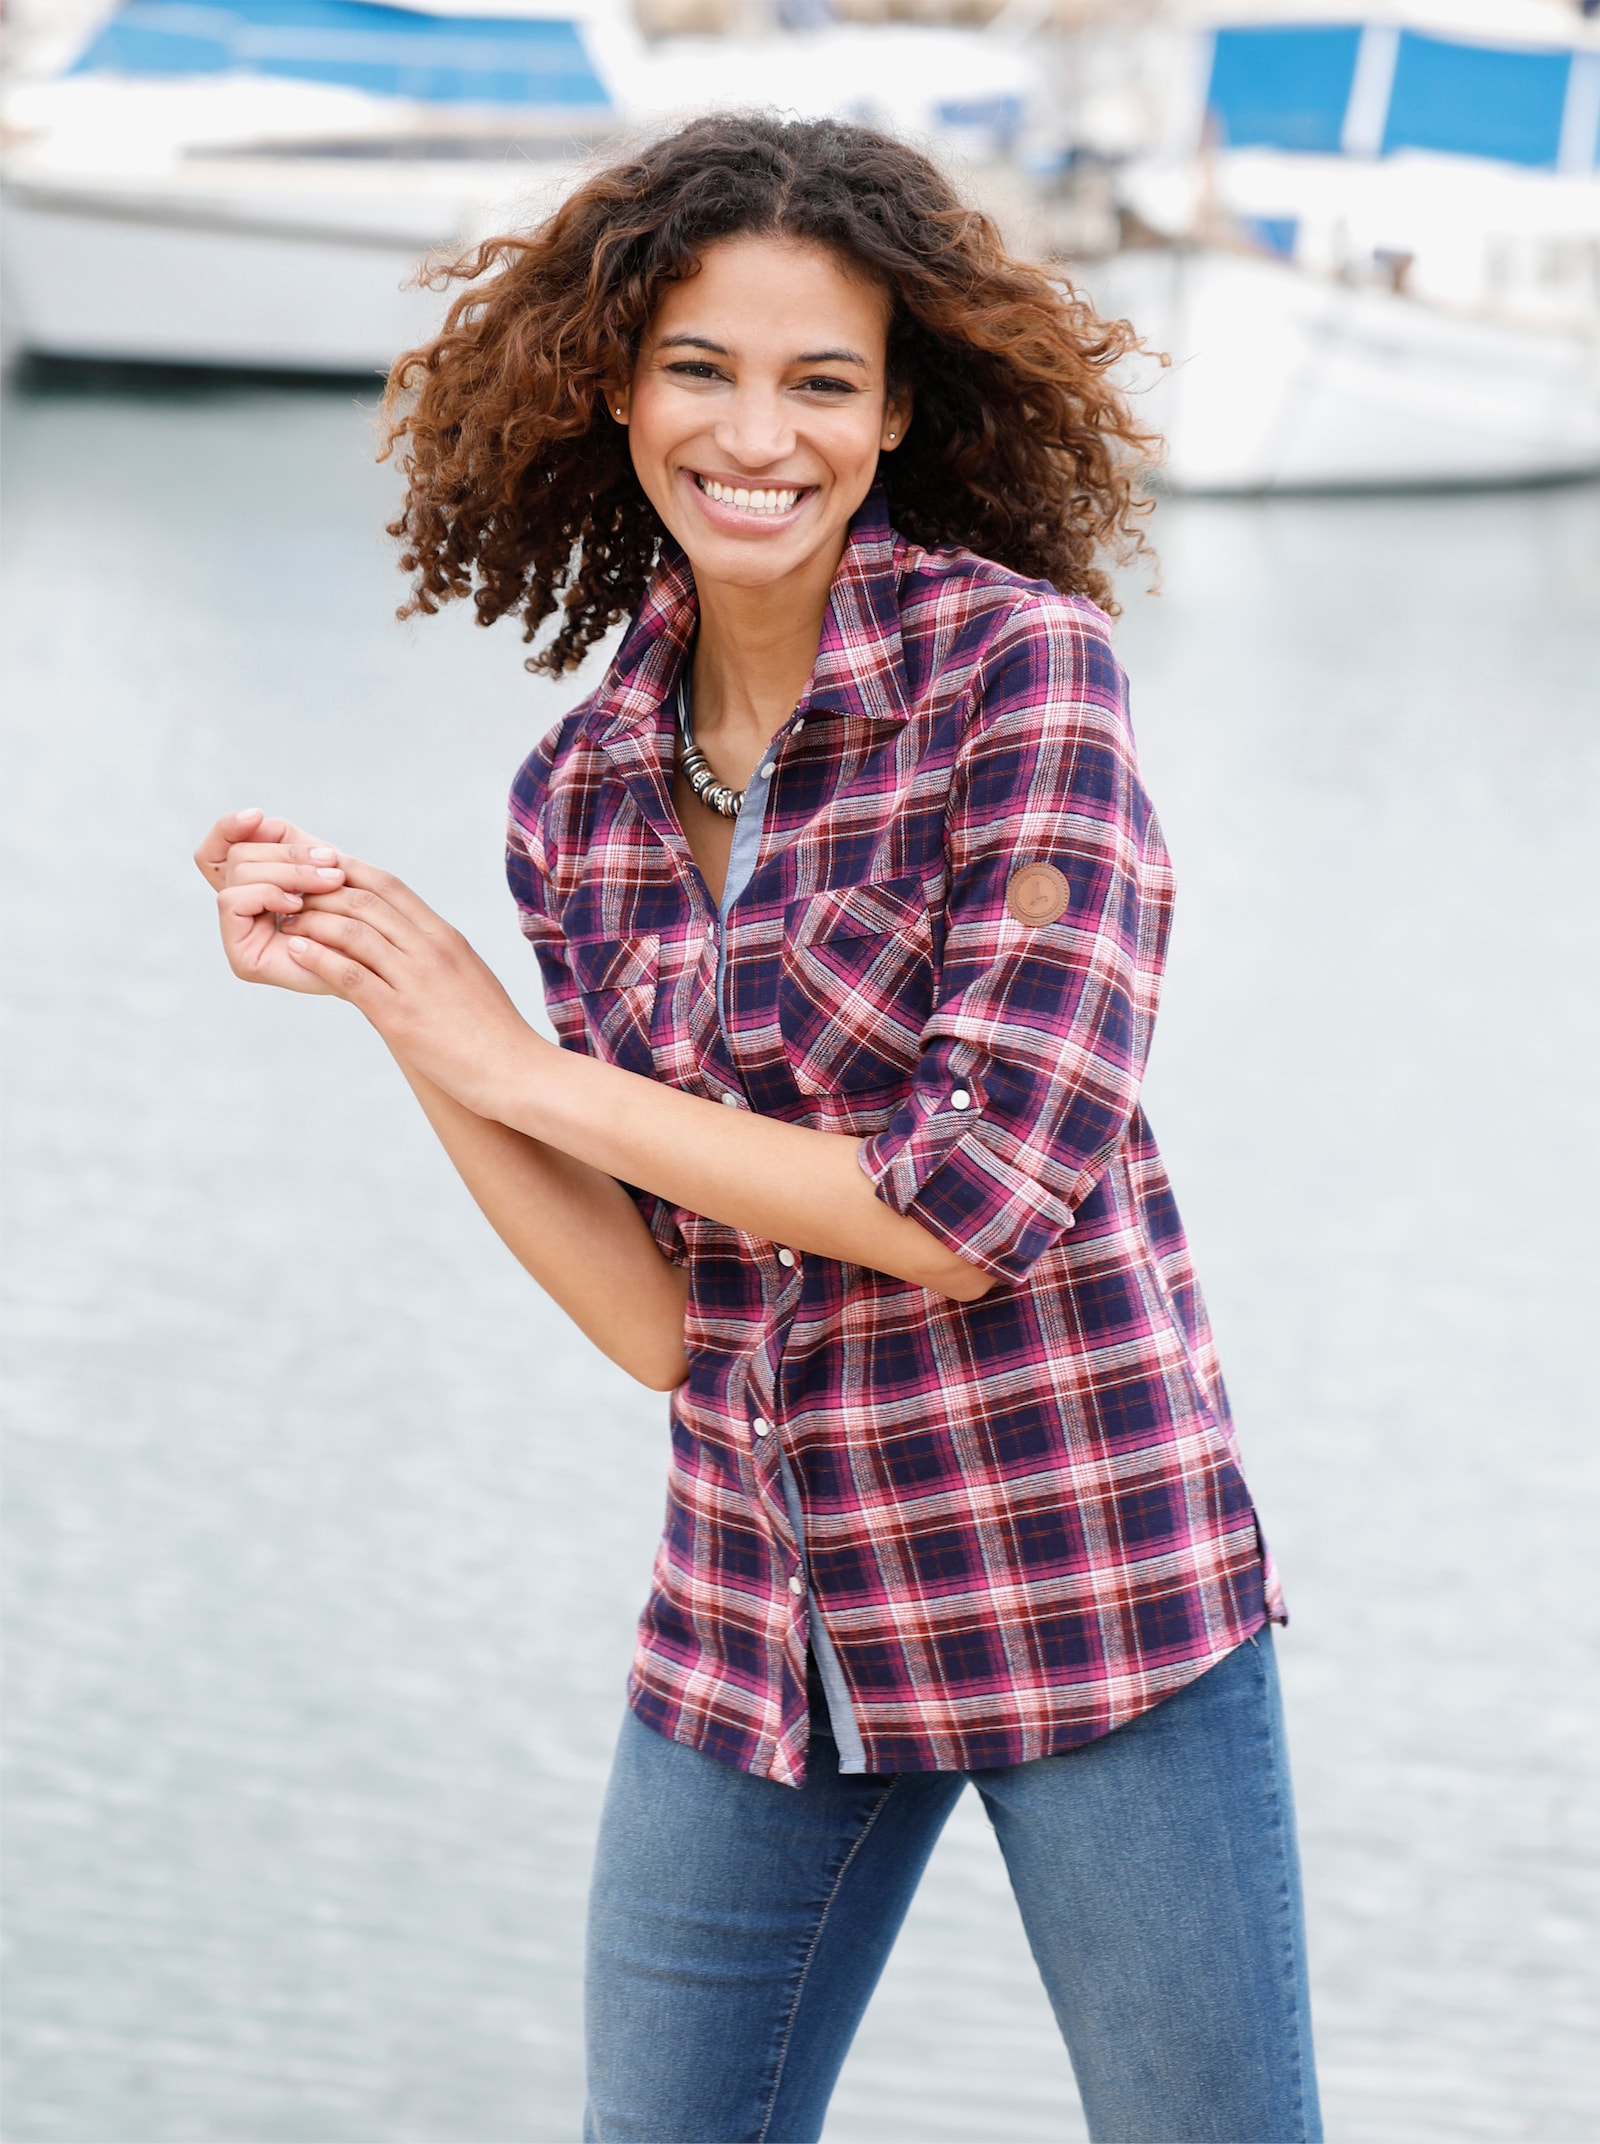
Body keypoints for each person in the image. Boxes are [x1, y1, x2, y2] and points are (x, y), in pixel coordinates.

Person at [195, 113, 1321, 2144]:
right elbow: (657, 1318)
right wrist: (404, 1000)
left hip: (1074, 1571)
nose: (756, 435)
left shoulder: (1022, 679)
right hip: (757, 1617)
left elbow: (972, 1204)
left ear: (895, 416)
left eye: (820, 382)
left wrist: (520, 1068)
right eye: (701, 369)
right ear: (616, 390)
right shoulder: (578, 796)